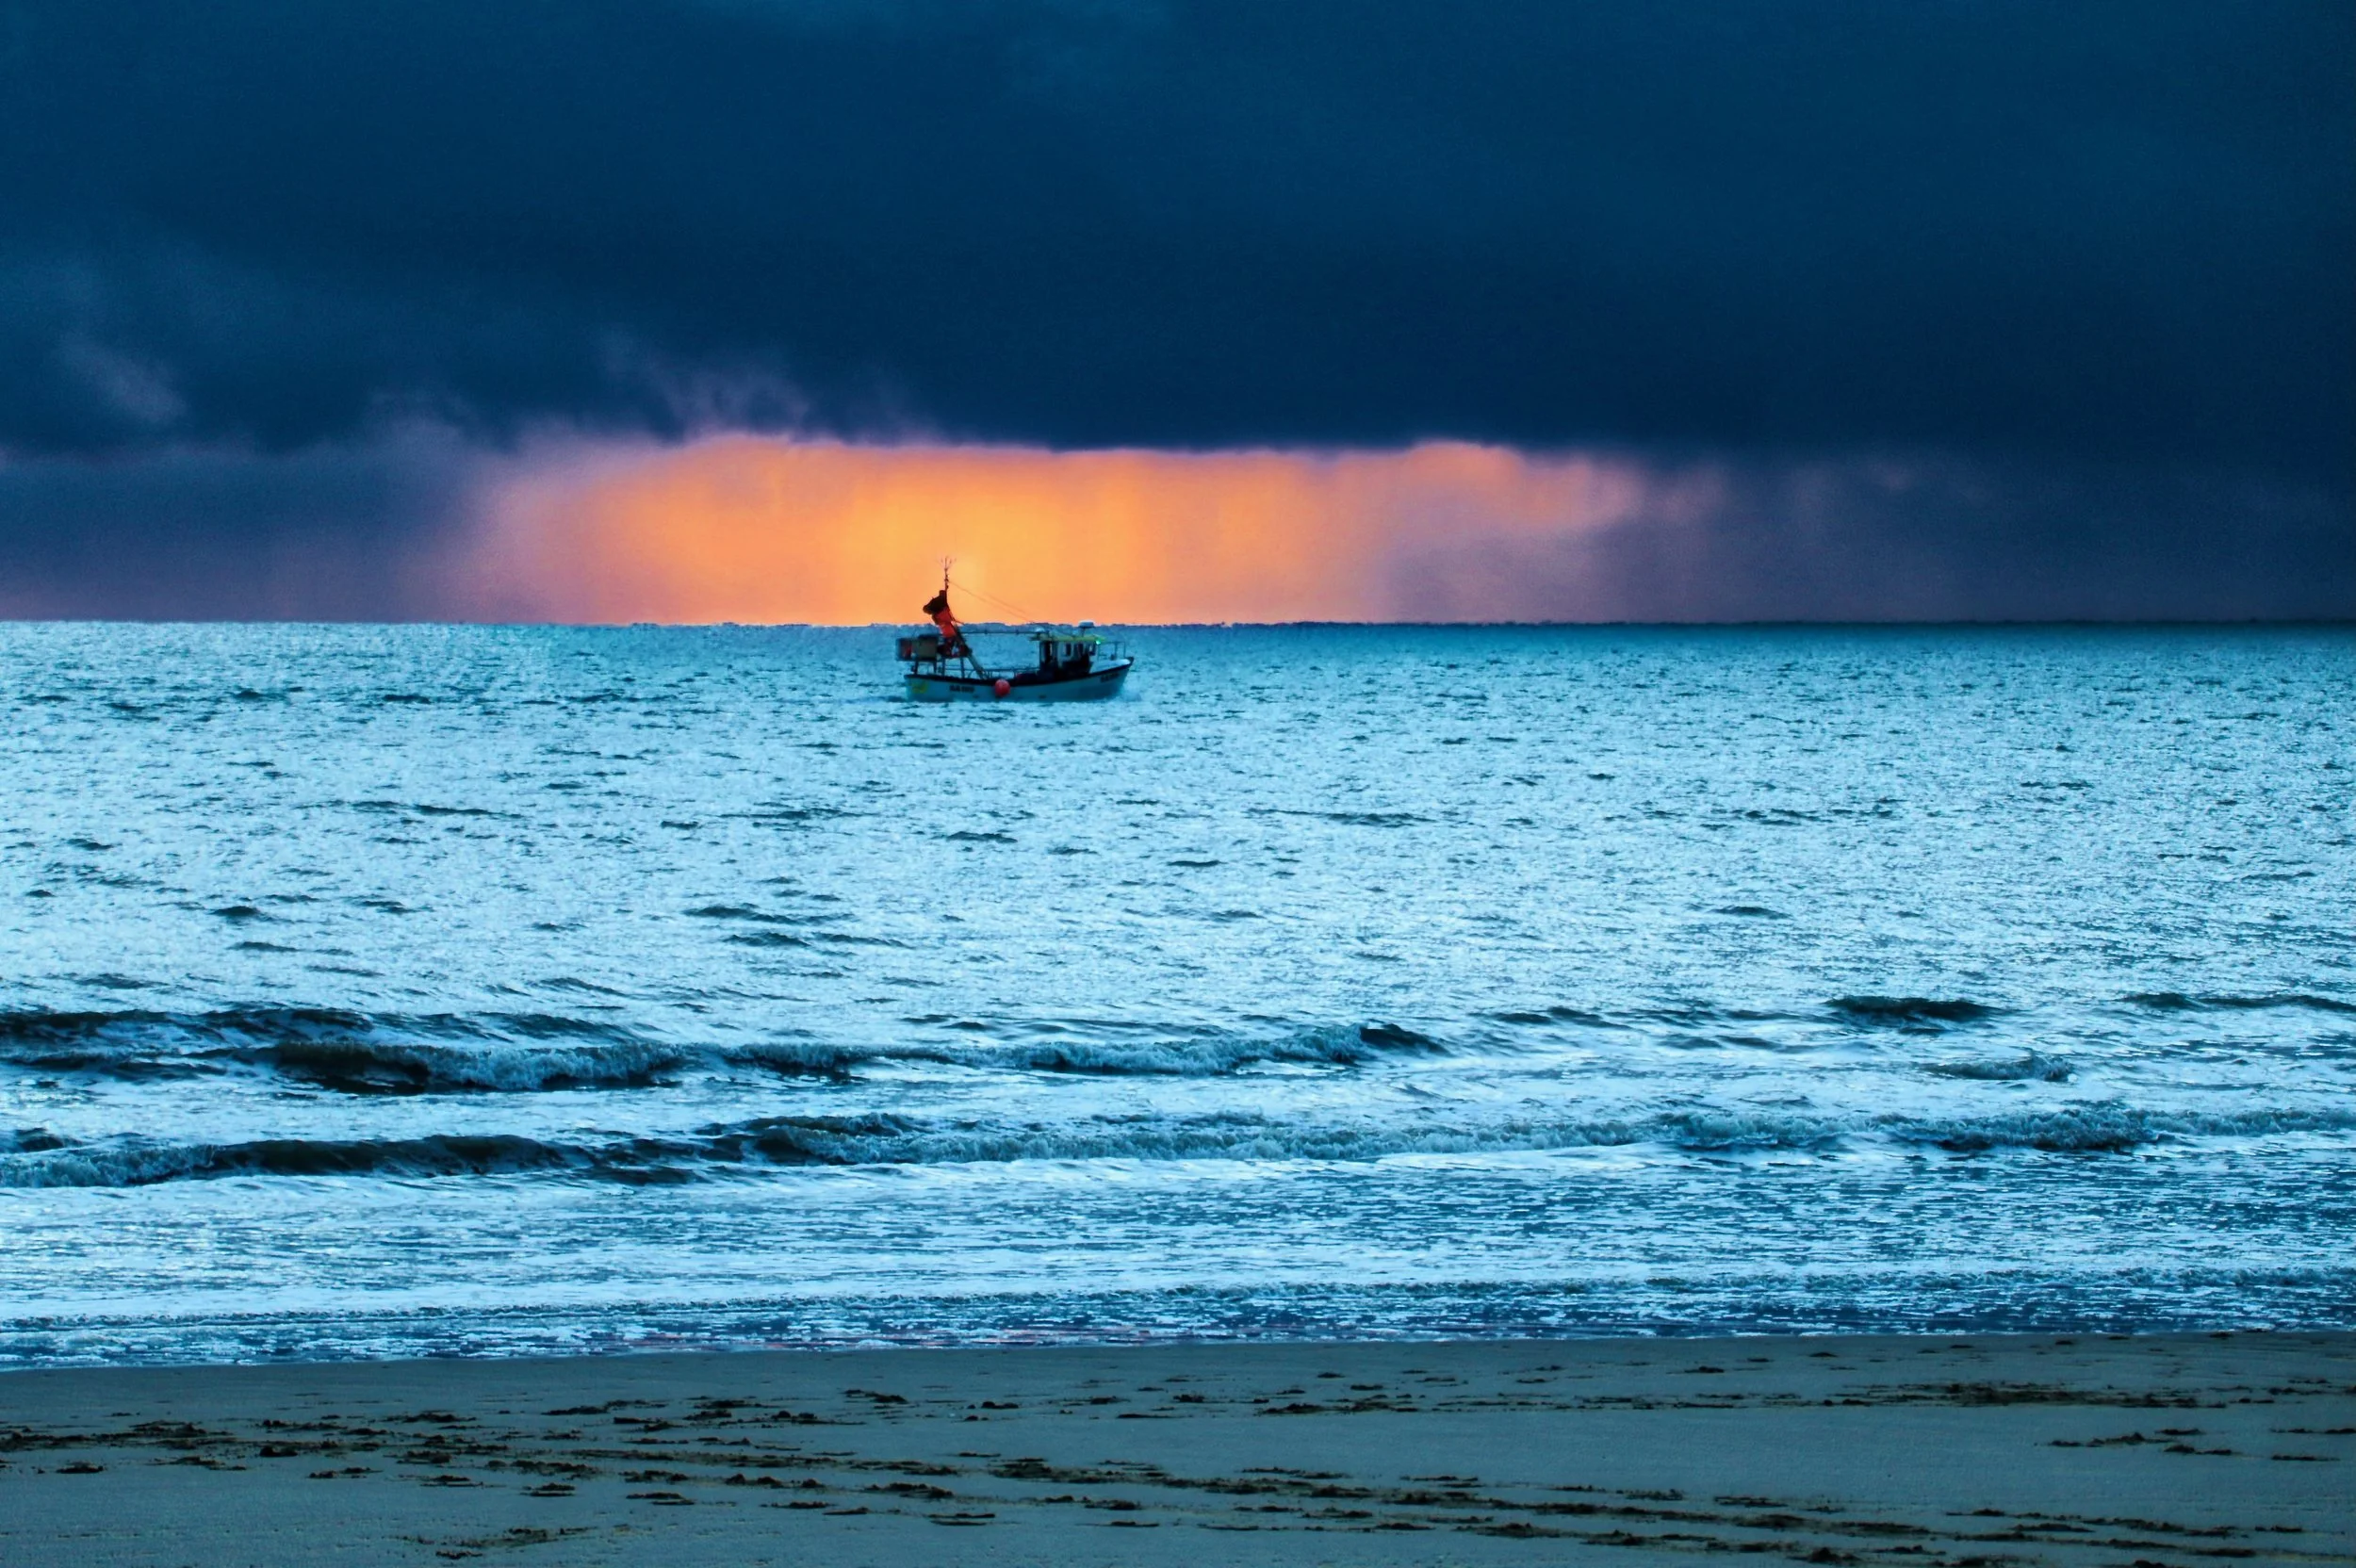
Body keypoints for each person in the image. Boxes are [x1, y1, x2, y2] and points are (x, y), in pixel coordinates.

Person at [922, 588, 969, 659]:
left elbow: (943, 623)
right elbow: (944, 623)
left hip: (948, 632)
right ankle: (960, 649)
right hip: (949, 632)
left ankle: (958, 649)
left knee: (951, 642)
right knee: (952, 642)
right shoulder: (937, 613)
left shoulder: (936, 614)